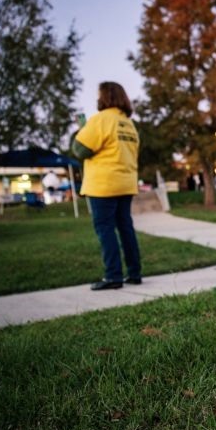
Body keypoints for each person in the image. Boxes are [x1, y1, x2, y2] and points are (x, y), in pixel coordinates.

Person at [71, 81, 142, 291]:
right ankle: (135, 272)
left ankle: (113, 276)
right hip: (125, 182)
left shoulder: (101, 120)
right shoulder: (128, 124)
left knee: (105, 229)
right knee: (126, 227)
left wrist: (83, 130)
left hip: (103, 184)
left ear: (104, 97)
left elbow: (80, 149)